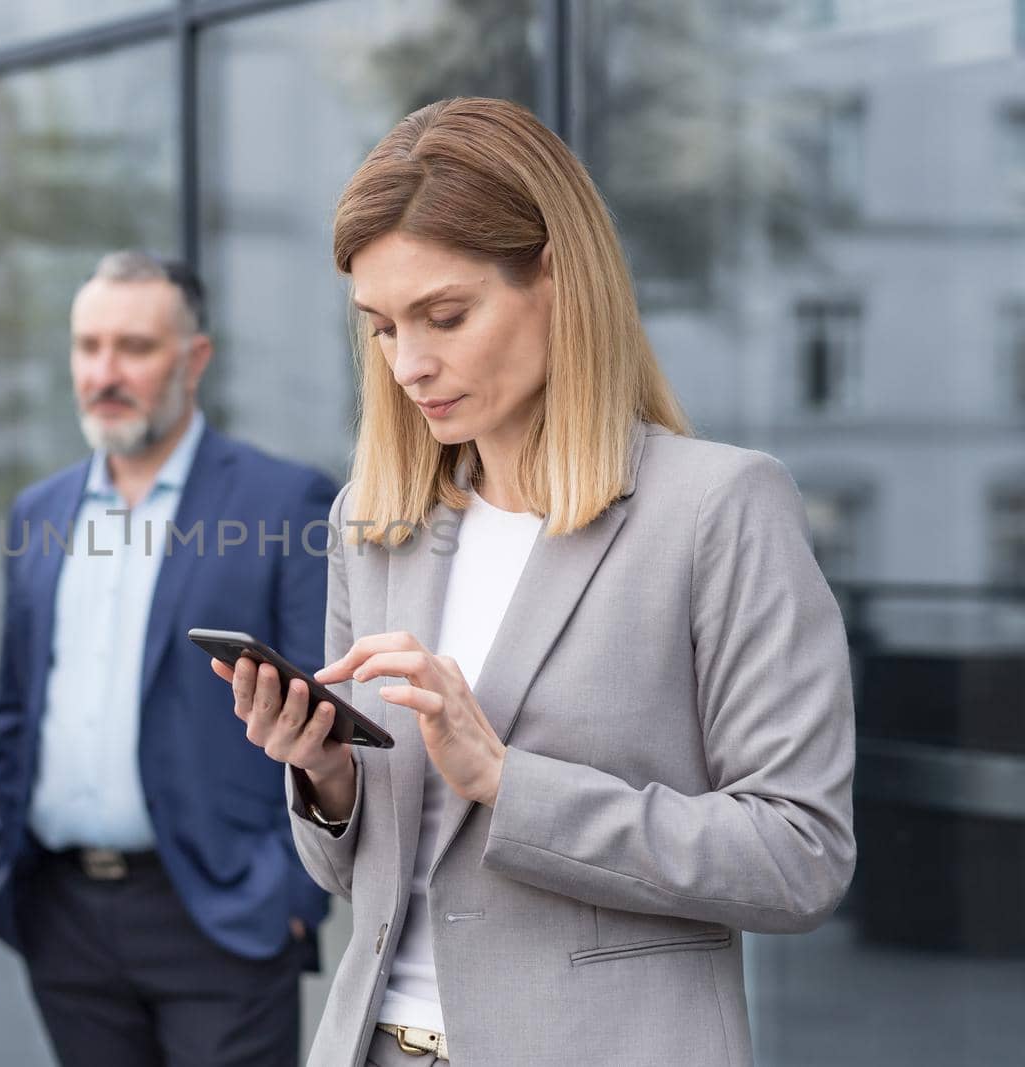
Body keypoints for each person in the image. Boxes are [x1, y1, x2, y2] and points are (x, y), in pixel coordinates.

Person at [214, 98, 856, 1067]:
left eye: (444, 314)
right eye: (381, 328)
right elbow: (357, 874)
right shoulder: (373, 520)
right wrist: (326, 775)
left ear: (556, 276)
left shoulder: (716, 507)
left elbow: (798, 856)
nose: (409, 365)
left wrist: (509, 783)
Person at [0, 251, 335, 1067]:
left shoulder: (283, 504)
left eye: (134, 348)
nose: (104, 372)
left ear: (195, 358)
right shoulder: (39, 511)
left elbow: (325, 709)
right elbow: (15, 707)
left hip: (219, 913)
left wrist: (288, 891)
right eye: (88, 346)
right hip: (64, 918)